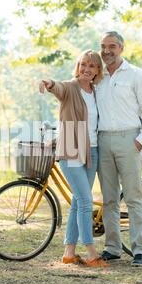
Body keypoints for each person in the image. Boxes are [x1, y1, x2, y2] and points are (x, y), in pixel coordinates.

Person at [39, 50, 108, 268]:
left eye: (91, 66)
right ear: (78, 67)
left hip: (92, 152)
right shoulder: (70, 88)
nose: (86, 69)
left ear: (98, 70)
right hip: (70, 151)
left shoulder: (96, 92)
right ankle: (91, 252)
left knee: (79, 202)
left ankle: (69, 252)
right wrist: (48, 83)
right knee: (86, 201)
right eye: (83, 65)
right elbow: (57, 87)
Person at [96, 31, 142, 266]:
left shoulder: (135, 75)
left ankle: (140, 249)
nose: (107, 51)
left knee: (133, 197)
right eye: (103, 46)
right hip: (104, 140)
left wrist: (141, 140)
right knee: (109, 199)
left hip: (130, 139)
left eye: (112, 46)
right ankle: (112, 248)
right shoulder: (98, 77)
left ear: (121, 48)